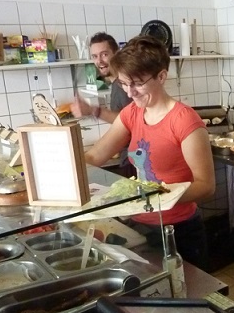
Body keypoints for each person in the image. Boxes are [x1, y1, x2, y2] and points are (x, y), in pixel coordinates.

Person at [83, 35, 215, 271]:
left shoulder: (184, 121)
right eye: (124, 83)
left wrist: (157, 196)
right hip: (141, 224)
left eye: (137, 83)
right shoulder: (131, 113)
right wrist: (55, 166)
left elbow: (206, 185)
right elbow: (95, 156)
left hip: (179, 229)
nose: (130, 92)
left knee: (189, 297)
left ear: (161, 76)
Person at [71, 32, 135, 177]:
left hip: (135, 160)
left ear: (116, 53)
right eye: (94, 56)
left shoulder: (125, 86)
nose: (99, 61)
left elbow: (129, 122)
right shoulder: (116, 84)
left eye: (104, 54)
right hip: (128, 157)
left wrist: (93, 110)